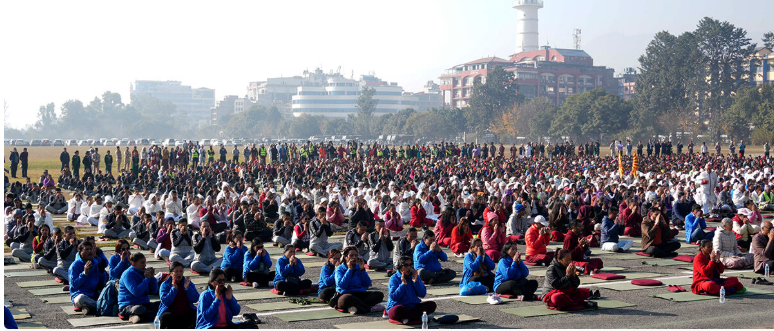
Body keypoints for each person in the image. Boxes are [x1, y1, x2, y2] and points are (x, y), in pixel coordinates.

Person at [386, 255, 437, 325]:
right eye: (406, 265)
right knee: (397, 310)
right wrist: (403, 284)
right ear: (400, 267)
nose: (409, 268)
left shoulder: (414, 276)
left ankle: (408, 318)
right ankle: (418, 317)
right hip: (399, 306)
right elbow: (394, 297)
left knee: (432, 305)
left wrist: (416, 282)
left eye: (410, 265)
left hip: (412, 307)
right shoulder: (394, 278)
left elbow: (422, 294)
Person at [334, 246, 385, 314]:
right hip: (346, 294)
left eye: (356, 255)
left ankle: (356, 307)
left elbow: (367, 284)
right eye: (351, 255)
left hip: (360, 294)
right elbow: (342, 285)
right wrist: (349, 270)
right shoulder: (339, 269)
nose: (354, 257)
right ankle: (369, 308)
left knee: (379, 295)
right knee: (346, 299)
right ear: (345, 257)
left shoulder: (359, 267)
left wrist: (363, 270)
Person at [118, 252, 160, 324]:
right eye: (142, 263)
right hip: (128, 306)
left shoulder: (144, 272)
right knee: (139, 309)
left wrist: (152, 278)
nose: (145, 265)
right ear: (134, 264)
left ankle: (137, 316)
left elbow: (154, 291)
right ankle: (134, 315)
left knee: (163, 304)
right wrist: (147, 279)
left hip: (144, 303)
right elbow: (136, 292)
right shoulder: (128, 274)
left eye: (145, 262)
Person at [69, 240, 107, 315]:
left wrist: (102, 271)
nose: (90, 251)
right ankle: (102, 307)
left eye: (91, 249)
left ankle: (90, 307)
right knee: (81, 299)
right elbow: (74, 285)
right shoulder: (75, 265)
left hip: (94, 294)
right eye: (86, 249)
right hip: (80, 294)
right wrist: (84, 273)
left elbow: (102, 282)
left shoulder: (95, 262)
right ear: (80, 252)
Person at [157, 261, 199, 329]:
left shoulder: (187, 283)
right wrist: (173, 290)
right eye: (176, 271)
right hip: (172, 313)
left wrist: (187, 289)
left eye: (181, 271)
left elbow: (195, 299)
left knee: (198, 314)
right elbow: (166, 302)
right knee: (165, 317)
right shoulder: (165, 285)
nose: (179, 273)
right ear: (171, 273)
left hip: (186, 312)